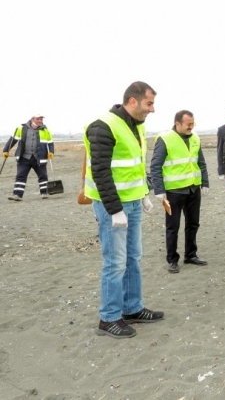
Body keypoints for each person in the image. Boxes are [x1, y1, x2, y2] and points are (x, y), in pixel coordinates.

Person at [84, 81, 163, 339]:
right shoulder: (103, 126)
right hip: (112, 206)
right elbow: (101, 172)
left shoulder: (136, 126)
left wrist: (143, 195)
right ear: (133, 101)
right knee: (115, 263)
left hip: (133, 201)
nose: (152, 109)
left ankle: (132, 308)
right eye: (149, 103)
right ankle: (108, 318)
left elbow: (136, 166)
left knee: (133, 258)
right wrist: (114, 209)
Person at [150, 110, 210, 274]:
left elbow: (201, 163)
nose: (191, 127)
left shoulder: (195, 137)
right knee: (173, 227)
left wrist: (205, 182)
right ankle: (172, 259)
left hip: (193, 189)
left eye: (193, 123)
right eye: (188, 124)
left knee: (193, 223)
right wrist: (159, 190)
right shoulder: (165, 139)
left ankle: (191, 255)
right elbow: (155, 166)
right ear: (178, 124)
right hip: (174, 192)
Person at [3, 114, 54, 201]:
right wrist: (6, 150)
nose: (40, 121)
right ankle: (17, 195)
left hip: (39, 157)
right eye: (38, 119)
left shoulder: (45, 130)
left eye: (41, 119)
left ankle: (44, 193)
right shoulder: (21, 128)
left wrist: (51, 152)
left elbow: (50, 142)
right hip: (24, 158)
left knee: (43, 176)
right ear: (32, 119)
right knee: (20, 176)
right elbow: (13, 140)